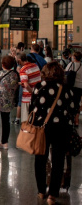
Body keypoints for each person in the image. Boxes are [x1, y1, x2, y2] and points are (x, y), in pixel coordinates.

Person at [31, 62, 79, 205]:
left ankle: (41, 191)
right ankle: (52, 195)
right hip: (62, 128)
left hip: (42, 128)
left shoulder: (39, 87)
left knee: (40, 159)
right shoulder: (66, 89)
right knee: (58, 161)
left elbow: (33, 108)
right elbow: (72, 110)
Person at [17, 52, 41, 122]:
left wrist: (32, 92)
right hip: (37, 96)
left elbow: (26, 85)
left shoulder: (23, 70)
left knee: (26, 121)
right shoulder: (35, 66)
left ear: (20, 60)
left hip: (27, 98)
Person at [65, 51, 82, 126]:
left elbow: (66, 73)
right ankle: (76, 119)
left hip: (71, 86)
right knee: (77, 102)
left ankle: (71, 117)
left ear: (74, 57)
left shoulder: (71, 64)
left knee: (70, 101)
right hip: (80, 87)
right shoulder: (81, 65)